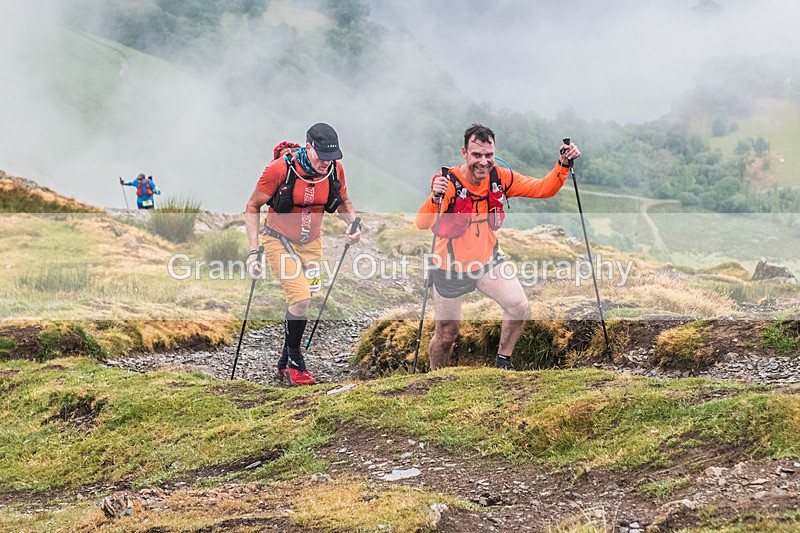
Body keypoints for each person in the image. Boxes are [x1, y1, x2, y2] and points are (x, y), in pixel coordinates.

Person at [416, 123, 580, 371]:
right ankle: (435, 376)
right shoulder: (448, 182)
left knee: (518, 307)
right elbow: (422, 223)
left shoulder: (500, 178)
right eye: (476, 155)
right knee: (447, 333)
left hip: (488, 261)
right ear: (464, 153)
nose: (483, 162)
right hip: (449, 266)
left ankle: (503, 362)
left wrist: (563, 165)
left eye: (489, 155)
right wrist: (434, 197)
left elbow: (543, 189)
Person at [245, 123, 361, 386]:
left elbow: (343, 202)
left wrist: (352, 224)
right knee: (300, 298)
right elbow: (252, 206)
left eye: (332, 156)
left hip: (312, 243)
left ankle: (284, 360)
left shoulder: (334, 170)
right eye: (322, 155)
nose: (327, 162)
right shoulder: (279, 170)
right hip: (277, 239)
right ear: (309, 147)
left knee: (307, 296)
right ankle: (296, 363)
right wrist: (253, 252)